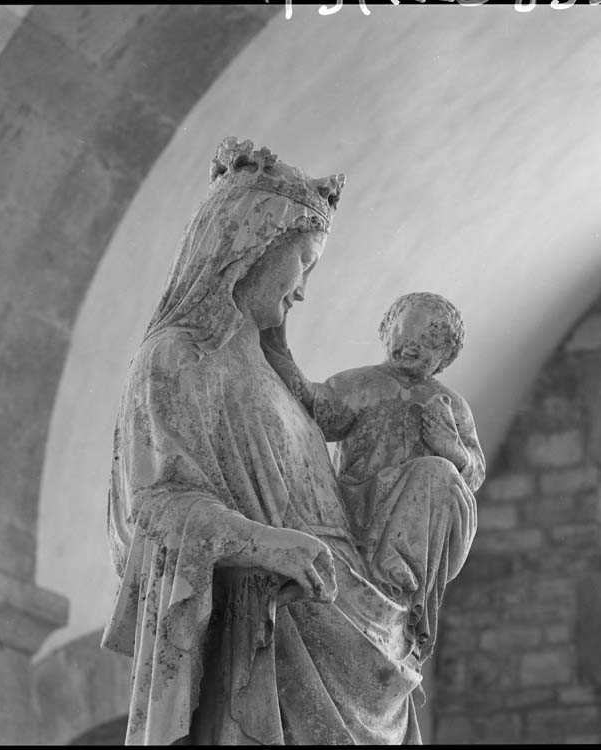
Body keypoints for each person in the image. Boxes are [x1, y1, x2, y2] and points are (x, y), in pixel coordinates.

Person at [102, 138, 444, 745]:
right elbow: (156, 506)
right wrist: (262, 542)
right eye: (304, 262)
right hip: (271, 629)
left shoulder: (278, 378)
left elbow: (328, 503)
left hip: (346, 619)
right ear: (250, 247)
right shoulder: (178, 357)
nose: (304, 290)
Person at [261, 292, 484, 663]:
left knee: (439, 472)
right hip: (361, 506)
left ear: (445, 357)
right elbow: (313, 407)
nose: (411, 344)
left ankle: (400, 564)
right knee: (437, 473)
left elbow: (474, 470)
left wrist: (452, 447)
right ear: (386, 330)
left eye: (429, 341)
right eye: (404, 330)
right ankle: (384, 563)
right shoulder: (360, 384)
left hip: (420, 521)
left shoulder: (451, 405)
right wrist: (276, 347)